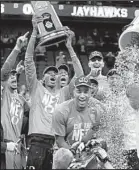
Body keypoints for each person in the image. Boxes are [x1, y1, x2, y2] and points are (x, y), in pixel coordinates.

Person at [24, 15, 84, 170]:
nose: (52, 75)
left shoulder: (64, 92)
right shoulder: (36, 88)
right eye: (48, 73)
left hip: (57, 143)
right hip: (37, 141)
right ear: (42, 78)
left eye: (55, 73)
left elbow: (79, 75)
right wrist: (34, 32)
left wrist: (69, 46)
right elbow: (28, 59)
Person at [52, 75, 112, 168]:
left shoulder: (97, 110)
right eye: (79, 91)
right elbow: (60, 141)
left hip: (88, 154)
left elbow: (100, 136)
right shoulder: (61, 110)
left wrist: (98, 144)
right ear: (73, 92)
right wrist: (75, 156)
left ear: (90, 93)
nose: (82, 96)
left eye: (86, 92)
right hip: (66, 154)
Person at [1, 32, 29, 169]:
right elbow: (5, 73)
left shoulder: (21, 99)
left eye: (15, 76)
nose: (13, 78)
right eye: (10, 76)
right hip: (5, 146)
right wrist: (17, 48)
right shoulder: (3, 93)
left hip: (19, 146)